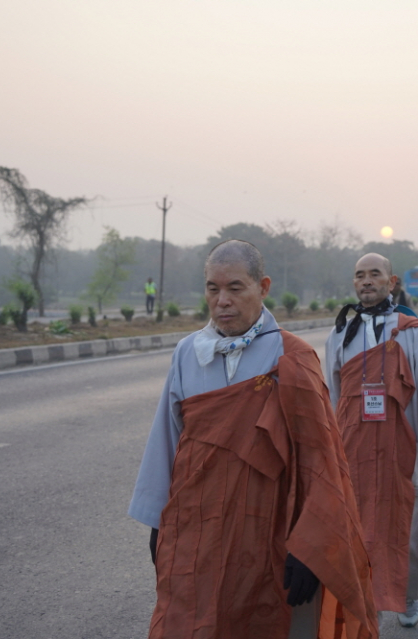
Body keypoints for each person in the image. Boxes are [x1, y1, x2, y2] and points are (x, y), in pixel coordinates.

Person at [129, 240, 378, 639]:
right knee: (190, 622)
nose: (222, 300)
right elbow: (167, 442)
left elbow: (321, 460)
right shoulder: (188, 353)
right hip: (199, 528)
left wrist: (310, 547)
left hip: (268, 528)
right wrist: (159, 523)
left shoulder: (291, 357)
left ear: (262, 286)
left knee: (260, 620)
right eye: (213, 289)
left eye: (235, 288)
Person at [325, 253, 418, 629]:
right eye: (360, 275)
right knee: (358, 527)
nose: (366, 281)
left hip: (404, 449)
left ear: (391, 283)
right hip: (355, 450)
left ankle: (403, 597)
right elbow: (333, 396)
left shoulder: (413, 332)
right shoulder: (341, 334)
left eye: (375, 274)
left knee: (407, 529)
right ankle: (364, 598)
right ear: (354, 283)